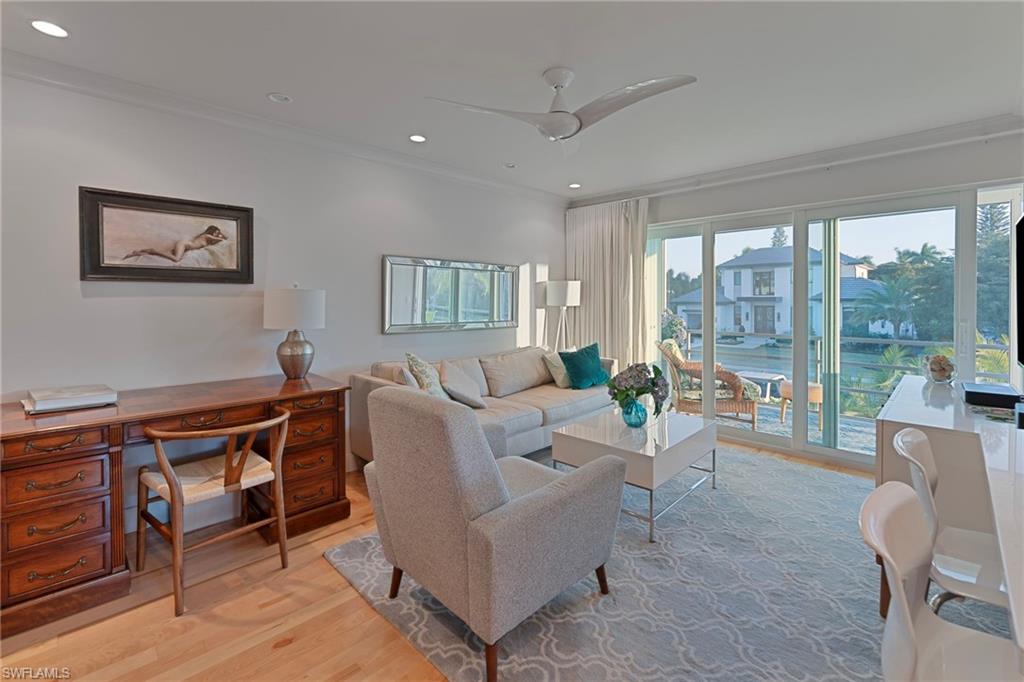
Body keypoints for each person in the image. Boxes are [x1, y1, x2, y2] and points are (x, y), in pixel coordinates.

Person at [122, 225, 227, 263]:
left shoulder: (208, 239)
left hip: (185, 246)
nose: (217, 235)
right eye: (216, 233)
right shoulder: (207, 236)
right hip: (184, 244)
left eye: (218, 233)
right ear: (211, 232)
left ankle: (138, 253)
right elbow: (222, 239)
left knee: (163, 257)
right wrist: (221, 236)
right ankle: (152, 250)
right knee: (176, 259)